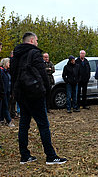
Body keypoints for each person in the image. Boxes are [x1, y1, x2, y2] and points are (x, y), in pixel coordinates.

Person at [10, 32, 67, 164]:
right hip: (34, 94)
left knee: (24, 125)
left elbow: (13, 75)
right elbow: (42, 74)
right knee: (43, 125)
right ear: (31, 41)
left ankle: (24, 155)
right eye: (36, 40)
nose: (37, 43)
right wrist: (46, 91)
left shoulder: (15, 55)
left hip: (21, 93)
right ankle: (51, 156)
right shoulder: (34, 53)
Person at [0, 58, 15, 127]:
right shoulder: (1, 71)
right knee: (5, 106)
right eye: (8, 62)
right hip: (4, 92)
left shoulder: (7, 72)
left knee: (4, 105)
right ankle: (9, 121)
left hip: (8, 91)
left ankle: (1, 119)